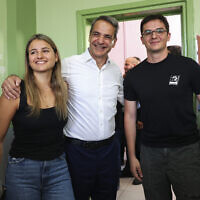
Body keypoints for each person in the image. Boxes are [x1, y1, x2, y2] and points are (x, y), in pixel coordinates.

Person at [1, 16, 124, 200]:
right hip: (66, 154)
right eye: (96, 34)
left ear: (114, 42)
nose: (101, 40)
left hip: (96, 154)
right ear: (89, 36)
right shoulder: (68, 65)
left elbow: (126, 103)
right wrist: (11, 78)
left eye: (107, 36)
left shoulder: (113, 72)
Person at [124, 14, 200, 200]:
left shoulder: (188, 66)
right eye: (148, 32)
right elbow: (130, 116)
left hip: (187, 149)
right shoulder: (134, 76)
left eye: (159, 31)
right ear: (142, 39)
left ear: (168, 35)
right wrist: (132, 156)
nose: (154, 36)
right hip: (151, 152)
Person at [0, 34, 75, 200]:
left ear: (56, 57)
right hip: (22, 170)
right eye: (33, 52)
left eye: (45, 51)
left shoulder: (64, 89)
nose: (39, 56)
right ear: (28, 59)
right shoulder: (13, 92)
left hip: (58, 168)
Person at [119, 56, 143, 185]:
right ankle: (129, 169)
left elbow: (144, 101)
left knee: (138, 146)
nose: (125, 66)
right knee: (128, 145)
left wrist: (140, 119)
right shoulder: (123, 78)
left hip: (138, 117)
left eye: (128, 64)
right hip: (125, 117)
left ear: (135, 65)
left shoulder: (141, 78)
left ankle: (140, 174)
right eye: (125, 64)